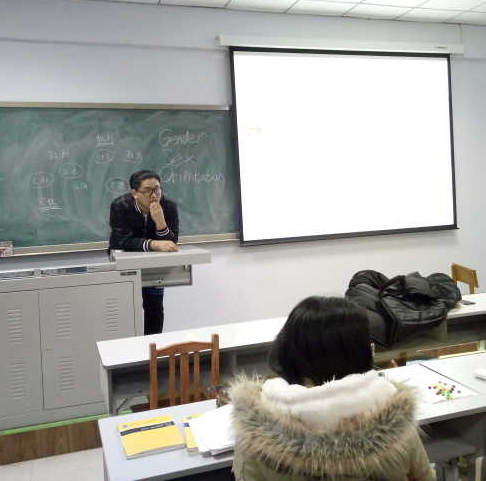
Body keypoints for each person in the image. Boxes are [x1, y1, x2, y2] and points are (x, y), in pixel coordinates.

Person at [228, 296, 434, 481]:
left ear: (285, 349)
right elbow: (424, 476)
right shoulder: (393, 417)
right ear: (359, 352)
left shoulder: (255, 428)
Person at [109, 170, 178, 334]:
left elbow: (172, 242)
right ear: (135, 193)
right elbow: (122, 240)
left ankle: (152, 346)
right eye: (147, 190)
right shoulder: (120, 205)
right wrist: (154, 244)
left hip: (154, 265)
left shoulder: (168, 206)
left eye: (157, 189)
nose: (154, 195)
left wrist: (161, 223)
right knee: (126, 308)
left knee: (154, 306)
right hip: (124, 263)